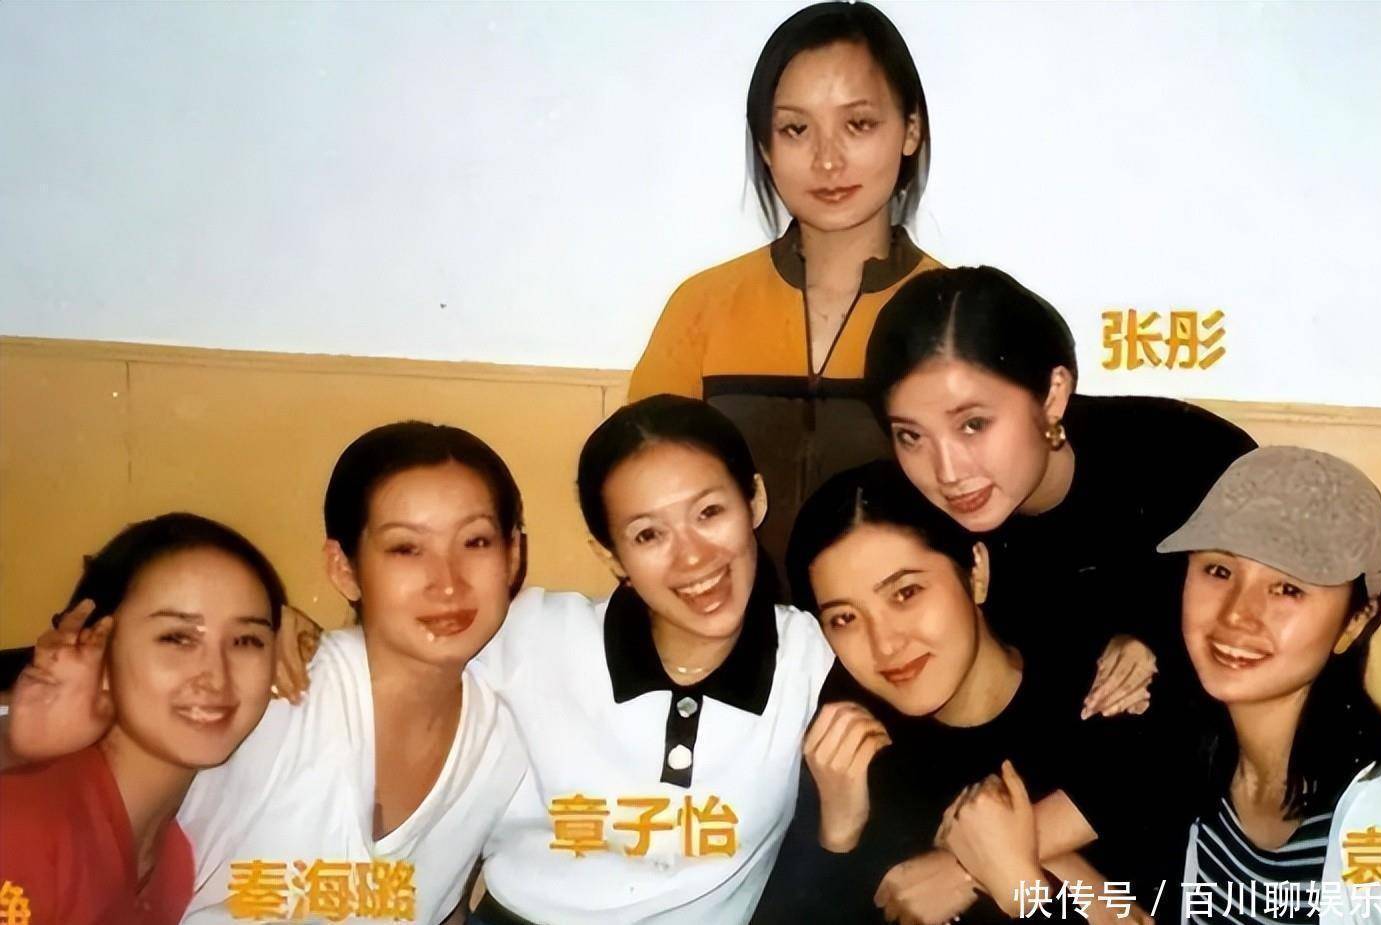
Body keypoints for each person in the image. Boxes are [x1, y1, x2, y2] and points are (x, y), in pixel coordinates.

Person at [6, 421, 531, 924]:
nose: (447, 583)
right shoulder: (275, 693)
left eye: (476, 542)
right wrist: (19, 743)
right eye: (405, 548)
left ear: (513, 554)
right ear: (343, 568)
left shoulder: (508, 735)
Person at [467, 394, 834, 924]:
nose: (693, 557)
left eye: (709, 513)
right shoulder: (532, 633)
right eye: (648, 535)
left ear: (754, 500)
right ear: (611, 555)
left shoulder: (811, 656)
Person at [757, 463, 1169, 924]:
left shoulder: (1111, 695)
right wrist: (838, 834)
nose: (885, 645)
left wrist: (1014, 884)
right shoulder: (848, 752)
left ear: (976, 572)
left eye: (906, 592)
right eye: (845, 619)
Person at [629, 1, 945, 586]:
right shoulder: (702, 306)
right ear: (766, 146)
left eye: (858, 124)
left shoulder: (950, 313)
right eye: (796, 129)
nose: (827, 159)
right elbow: (635, 491)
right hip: (726, 627)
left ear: (910, 130)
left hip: (888, 634)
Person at [863, 265, 1257, 720]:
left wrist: (1162, 643)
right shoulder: (910, 528)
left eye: (973, 425)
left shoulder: (1194, 463)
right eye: (911, 436)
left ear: (1053, 395)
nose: (947, 472)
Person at [0, 513, 285, 925]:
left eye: (246, 640)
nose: (216, 677)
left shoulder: (175, 866)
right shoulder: (25, 830)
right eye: (177, 638)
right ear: (97, 648)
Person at [1156, 446, 1381, 924]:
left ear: (1354, 622)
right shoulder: (1192, 758)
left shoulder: (1379, 823)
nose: (1237, 614)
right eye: (1219, 571)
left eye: (1288, 588)